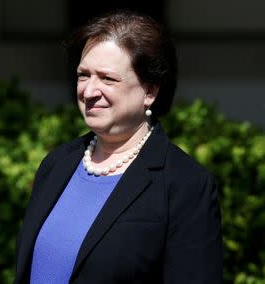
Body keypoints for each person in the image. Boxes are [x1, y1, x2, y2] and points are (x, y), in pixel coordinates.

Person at [14, 10, 223, 284]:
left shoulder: (184, 185)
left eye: (107, 78)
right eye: (83, 75)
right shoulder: (57, 164)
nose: (89, 91)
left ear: (150, 91)